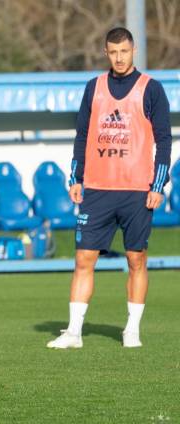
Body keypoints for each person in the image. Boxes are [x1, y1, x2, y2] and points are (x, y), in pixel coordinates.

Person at [47, 27, 171, 350]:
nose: (119, 58)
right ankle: (74, 333)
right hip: (98, 190)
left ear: (133, 51)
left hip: (136, 191)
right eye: (113, 52)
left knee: (136, 260)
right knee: (83, 259)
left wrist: (158, 184)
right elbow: (81, 137)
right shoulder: (94, 88)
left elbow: (164, 140)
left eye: (124, 52)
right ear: (106, 53)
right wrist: (76, 178)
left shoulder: (152, 89)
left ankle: (132, 330)